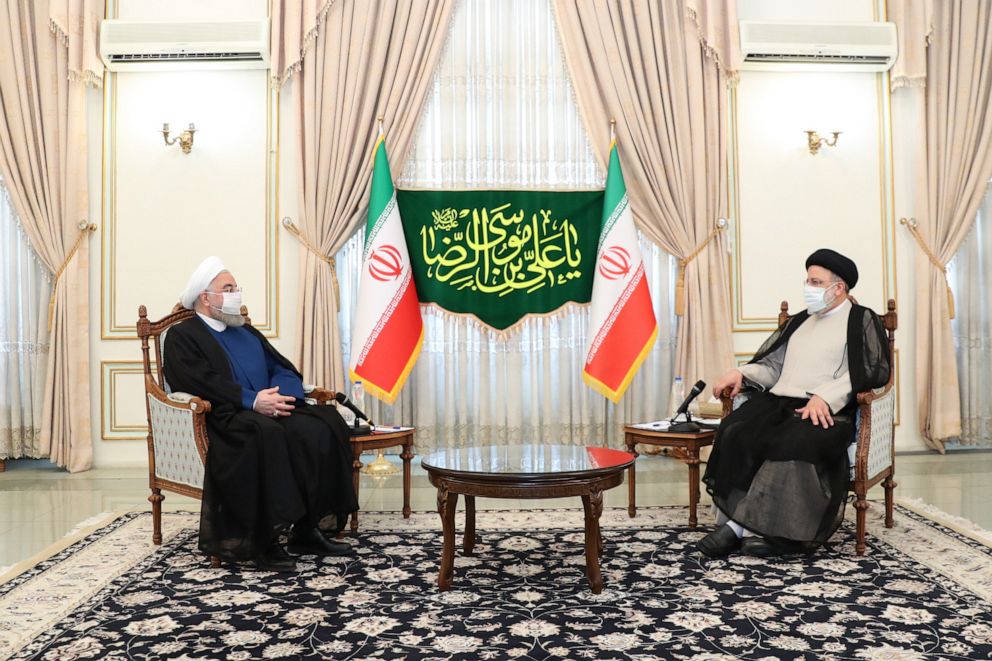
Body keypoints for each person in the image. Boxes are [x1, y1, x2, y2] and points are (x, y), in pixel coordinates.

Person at [163, 256, 358, 571]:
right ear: (205, 297)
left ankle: (306, 530)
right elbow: (198, 381)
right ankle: (265, 539)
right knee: (265, 435)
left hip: (270, 408)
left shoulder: (244, 331)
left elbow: (280, 367)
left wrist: (280, 398)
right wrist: (252, 401)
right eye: (228, 288)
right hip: (227, 417)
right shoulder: (183, 336)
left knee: (325, 423)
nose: (235, 293)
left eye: (235, 287)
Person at [698, 248, 890, 558]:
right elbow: (773, 367)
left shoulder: (860, 319)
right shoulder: (801, 320)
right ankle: (747, 527)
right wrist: (740, 372)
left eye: (816, 282)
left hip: (827, 411)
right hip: (781, 404)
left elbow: (870, 371)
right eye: (808, 281)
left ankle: (741, 528)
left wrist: (825, 397)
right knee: (737, 431)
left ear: (838, 288)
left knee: (792, 443)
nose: (809, 288)